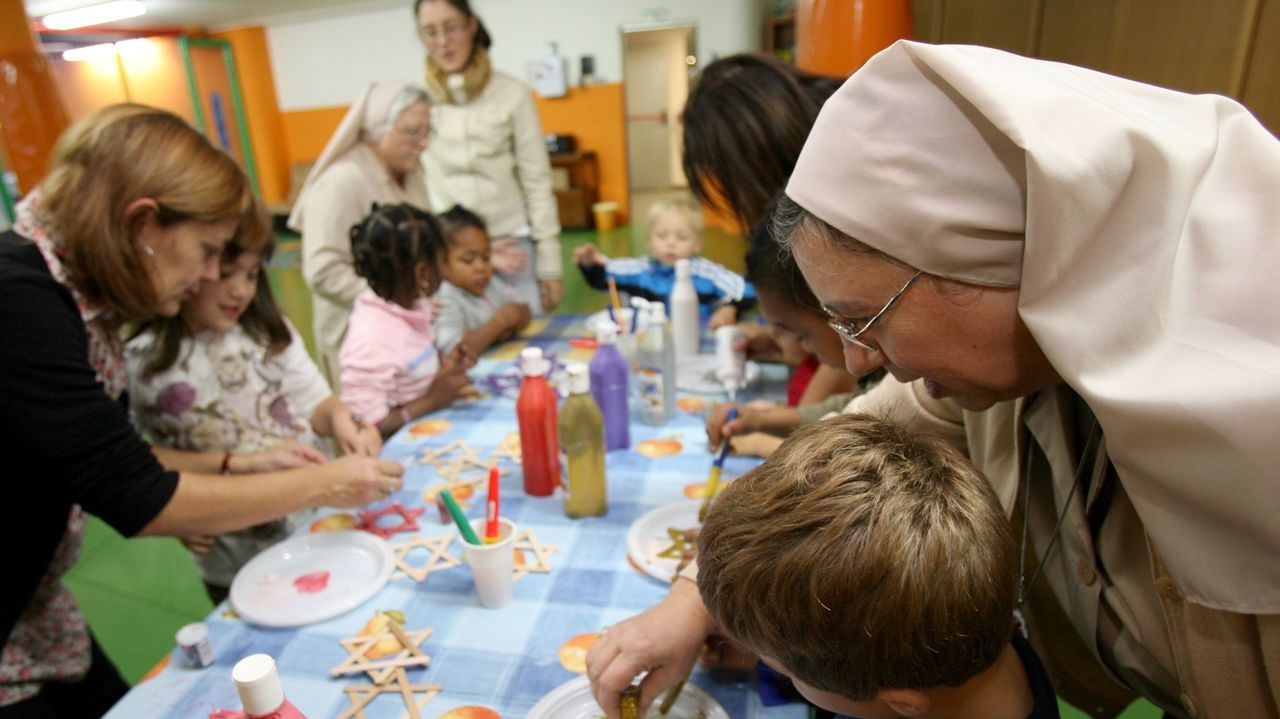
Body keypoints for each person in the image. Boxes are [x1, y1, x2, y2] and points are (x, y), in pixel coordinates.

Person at [596, 40, 1280, 718]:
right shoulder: (1007, 364)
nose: (856, 361)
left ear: (1018, 261)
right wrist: (693, 597)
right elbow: (823, 459)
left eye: (867, 318)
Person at [0, 104, 402, 716]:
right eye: (210, 252)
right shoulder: (20, 304)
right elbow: (137, 492)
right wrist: (327, 480)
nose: (217, 276)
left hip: (40, 610)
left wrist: (238, 466)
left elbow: (101, 454)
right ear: (143, 225)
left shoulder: (75, 296)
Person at [698, 413, 1059, 718]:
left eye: (789, 675)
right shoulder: (981, 639)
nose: (781, 672)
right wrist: (783, 664)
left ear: (902, 704)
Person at [126, 202, 383, 604]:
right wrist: (177, 510)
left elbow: (319, 404)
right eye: (227, 274)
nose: (240, 290)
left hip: (315, 524)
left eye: (251, 275)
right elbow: (136, 460)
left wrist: (343, 421)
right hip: (233, 558)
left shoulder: (268, 330)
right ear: (195, 267)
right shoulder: (140, 361)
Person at [414, 0, 564, 316]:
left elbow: (537, 181)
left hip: (513, 248)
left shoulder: (512, 94)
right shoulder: (418, 101)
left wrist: (549, 264)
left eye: (451, 28)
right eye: (430, 32)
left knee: (530, 346)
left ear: (472, 25)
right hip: (451, 253)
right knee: (463, 353)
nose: (442, 42)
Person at [288, 80, 432, 389]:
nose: (423, 143)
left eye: (426, 132)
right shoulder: (341, 182)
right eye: (412, 132)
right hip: (360, 338)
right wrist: (392, 301)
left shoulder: (413, 177)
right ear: (379, 129)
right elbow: (323, 271)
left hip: (408, 331)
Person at [704, 215, 860, 458]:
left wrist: (757, 438)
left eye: (796, 333)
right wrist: (759, 420)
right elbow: (834, 410)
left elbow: (814, 440)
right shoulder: (836, 357)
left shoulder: (845, 365)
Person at [340, 203, 474, 438]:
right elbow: (367, 424)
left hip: (429, 428)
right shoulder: (370, 338)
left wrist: (443, 367)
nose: (444, 271)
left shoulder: (411, 304)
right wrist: (432, 400)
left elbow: (408, 367)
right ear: (422, 273)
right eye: (442, 261)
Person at [574, 198, 756, 328]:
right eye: (661, 236)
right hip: (647, 345)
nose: (671, 243)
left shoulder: (707, 274)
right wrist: (590, 264)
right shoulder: (639, 271)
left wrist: (729, 307)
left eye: (682, 237)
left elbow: (745, 289)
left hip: (696, 341)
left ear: (698, 243)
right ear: (649, 241)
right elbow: (604, 275)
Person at [431, 204, 532, 355]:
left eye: (486, 257)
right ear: (441, 263)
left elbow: (525, 311)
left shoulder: (491, 284)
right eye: (468, 260)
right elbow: (456, 350)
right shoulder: (444, 298)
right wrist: (500, 323)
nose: (481, 267)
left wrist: (489, 334)